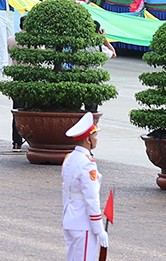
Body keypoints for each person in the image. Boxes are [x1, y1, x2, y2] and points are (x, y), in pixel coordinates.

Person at [61, 112, 107, 261]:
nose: (97, 139)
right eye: (95, 136)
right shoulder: (88, 164)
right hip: (83, 222)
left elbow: (65, 191)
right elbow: (92, 199)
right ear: (88, 140)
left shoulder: (69, 158)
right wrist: (99, 229)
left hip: (70, 218)